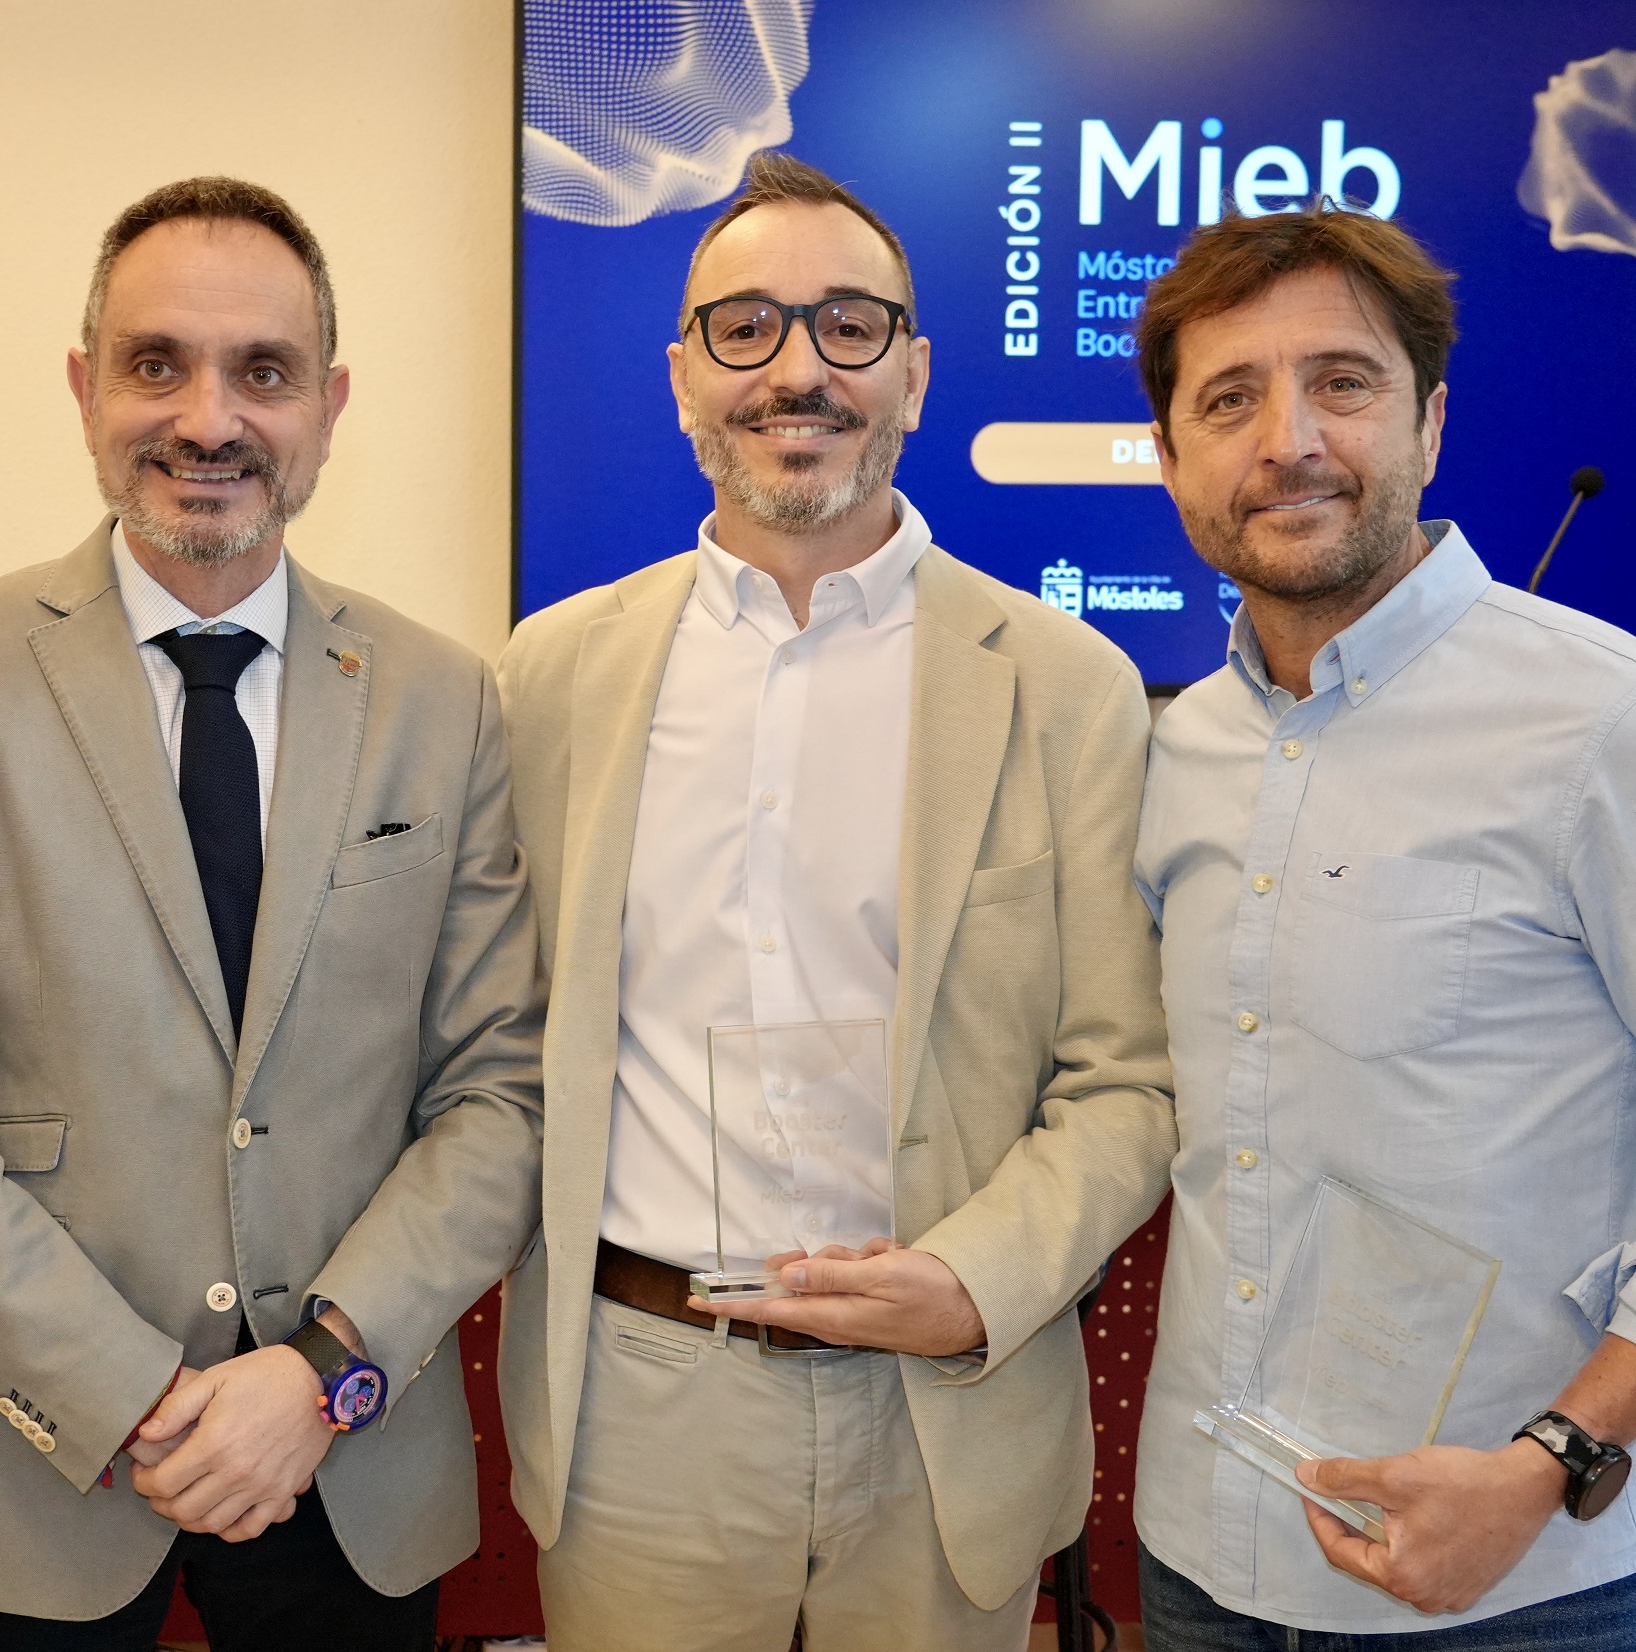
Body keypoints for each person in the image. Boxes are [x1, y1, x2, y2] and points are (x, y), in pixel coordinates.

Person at [0, 176, 545, 1651]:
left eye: (262, 371)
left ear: (327, 407)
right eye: (157, 364)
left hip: (343, 1461)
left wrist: (318, 1375)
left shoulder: (442, 699)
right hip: (25, 1473)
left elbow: (499, 1094)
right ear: (85, 391)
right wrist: (130, 1393)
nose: (209, 419)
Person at [494, 150, 1177, 1652]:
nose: (797, 371)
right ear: (683, 378)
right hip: (641, 1409)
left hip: (948, 1407)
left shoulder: (1068, 687)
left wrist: (974, 1282)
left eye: (849, 327)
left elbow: (1127, 1080)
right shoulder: (548, 678)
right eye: (744, 327)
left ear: (914, 375)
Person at [1132, 207, 1636, 1648]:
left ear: (1429, 418)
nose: (1287, 440)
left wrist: (1557, 1456)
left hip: (1517, 1581)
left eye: (1341, 383)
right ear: (1170, 456)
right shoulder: (1176, 750)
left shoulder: (1600, 719)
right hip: (1202, 1558)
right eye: (1228, 399)